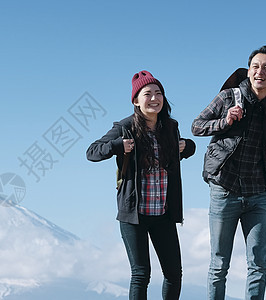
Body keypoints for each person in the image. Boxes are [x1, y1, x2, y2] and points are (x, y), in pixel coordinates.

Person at [191, 45, 266, 300]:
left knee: (258, 265)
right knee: (219, 264)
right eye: (255, 66)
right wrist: (224, 121)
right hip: (224, 189)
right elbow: (196, 126)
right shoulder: (229, 97)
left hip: (257, 194)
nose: (260, 71)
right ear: (249, 70)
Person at [87, 70, 195, 300]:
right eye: (147, 94)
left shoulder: (170, 127)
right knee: (141, 274)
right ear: (136, 100)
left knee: (174, 274)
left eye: (159, 93)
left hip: (163, 213)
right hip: (134, 215)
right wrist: (117, 145)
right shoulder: (125, 127)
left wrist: (188, 146)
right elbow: (92, 152)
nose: (154, 98)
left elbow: (183, 150)